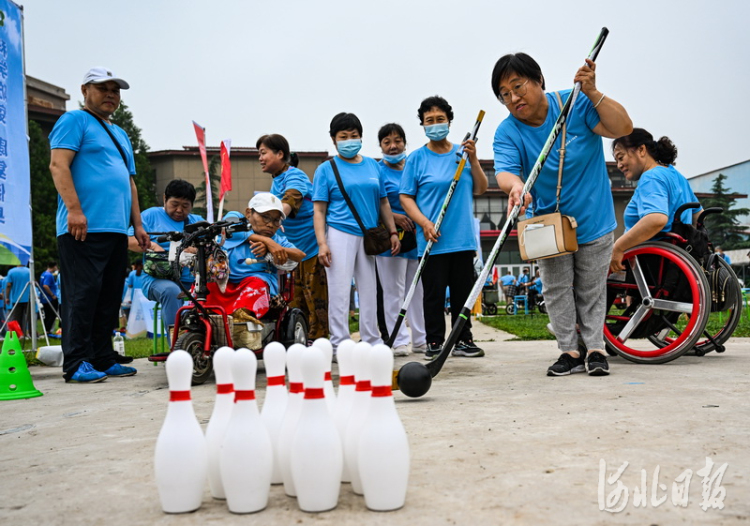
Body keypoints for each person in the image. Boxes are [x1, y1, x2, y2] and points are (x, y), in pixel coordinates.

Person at [492, 52, 632, 377]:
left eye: (518, 86)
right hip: (548, 224)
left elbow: (623, 126)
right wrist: (515, 188)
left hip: (594, 215)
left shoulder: (575, 103)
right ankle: (569, 351)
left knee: (592, 287)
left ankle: (596, 348)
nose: (514, 98)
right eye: (504, 94)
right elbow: (506, 172)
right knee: (555, 288)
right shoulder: (507, 131)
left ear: (538, 80)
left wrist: (593, 92)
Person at [49, 67, 149, 383]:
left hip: (116, 229)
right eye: (103, 88)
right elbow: (58, 164)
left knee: (108, 295)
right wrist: (75, 210)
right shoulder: (73, 121)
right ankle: (77, 361)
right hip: (82, 226)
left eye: (115, 90)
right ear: (84, 90)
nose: (110, 95)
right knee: (83, 294)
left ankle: (103, 357)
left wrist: (138, 224)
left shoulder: (119, 133)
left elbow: (130, 183)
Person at [400, 95, 488, 361]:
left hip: (462, 239)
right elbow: (406, 197)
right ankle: (435, 341)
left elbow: (481, 188)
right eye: (430, 121)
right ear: (423, 125)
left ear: (449, 121)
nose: (435, 124)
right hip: (432, 239)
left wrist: (473, 160)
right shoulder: (416, 159)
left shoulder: (462, 154)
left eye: (440, 119)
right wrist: (424, 223)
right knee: (434, 296)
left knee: (463, 294)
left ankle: (463, 339)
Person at [313, 112, 400, 352]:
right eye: (344, 136)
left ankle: (371, 339)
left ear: (361, 137)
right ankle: (340, 343)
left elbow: (383, 202)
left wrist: (392, 232)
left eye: (354, 135)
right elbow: (319, 210)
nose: (349, 140)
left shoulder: (373, 165)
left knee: (369, 289)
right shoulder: (326, 169)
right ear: (333, 140)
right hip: (340, 232)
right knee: (339, 290)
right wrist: (322, 243)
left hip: (370, 234)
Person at [257, 134, 329, 341]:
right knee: (296, 302)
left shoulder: (294, 175)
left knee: (316, 300)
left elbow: (290, 200)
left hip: (313, 247)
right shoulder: (275, 182)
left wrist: (275, 218)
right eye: (259, 154)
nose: (260, 158)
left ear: (280, 154)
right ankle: (301, 342)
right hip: (294, 252)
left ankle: (322, 344)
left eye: (264, 153)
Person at [610, 129, 701, 272]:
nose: (619, 165)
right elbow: (698, 215)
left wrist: (618, 247)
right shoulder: (677, 176)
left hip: (651, 264)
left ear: (641, 150)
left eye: (621, 158)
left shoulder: (650, 177)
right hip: (675, 262)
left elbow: (656, 219)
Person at [128, 179, 203, 343]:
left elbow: (211, 245)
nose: (179, 210)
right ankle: (177, 347)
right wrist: (152, 245)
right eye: (174, 204)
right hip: (157, 279)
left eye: (185, 206)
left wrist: (196, 249)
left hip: (192, 281)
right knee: (172, 291)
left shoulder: (197, 221)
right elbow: (128, 240)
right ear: (164, 199)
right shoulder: (150, 216)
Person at [206, 193, 305, 317]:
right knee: (206, 282)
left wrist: (272, 248)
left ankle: (242, 319)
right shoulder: (238, 220)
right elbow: (227, 227)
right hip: (224, 282)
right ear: (249, 213)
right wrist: (267, 241)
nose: (270, 224)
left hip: (254, 284)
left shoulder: (278, 240)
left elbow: (299, 255)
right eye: (265, 217)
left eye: (276, 220)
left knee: (257, 284)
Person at [374, 123, 427, 356]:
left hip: (416, 238)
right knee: (393, 292)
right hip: (390, 240)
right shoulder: (376, 171)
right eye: (387, 142)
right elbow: (370, 203)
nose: (393, 146)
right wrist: (393, 217)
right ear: (380, 146)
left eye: (397, 141)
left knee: (417, 290)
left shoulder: (413, 167)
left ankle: (421, 339)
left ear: (405, 143)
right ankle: (399, 340)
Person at [5, 264, 31, 333]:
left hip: (16, 299)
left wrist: (7, 297)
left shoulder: (11, 271)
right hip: (28, 298)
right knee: (30, 318)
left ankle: (19, 334)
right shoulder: (29, 271)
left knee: (17, 318)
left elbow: (8, 285)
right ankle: (32, 334)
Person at [120, 259, 144, 328]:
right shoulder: (145, 273)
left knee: (132, 315)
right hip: (144, 296)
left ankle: (131, 328)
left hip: (134, 297)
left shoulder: (132, 274)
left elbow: (130, 286)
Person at [39, 261, 60, 335]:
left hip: (44, 298)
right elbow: (45, 285)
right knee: (52, 314)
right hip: (50, 298)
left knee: (47, 315)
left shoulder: (43, 274)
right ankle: (47, 330)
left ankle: (46, 330)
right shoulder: (49, 275)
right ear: (54, 266)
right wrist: (52, 295)